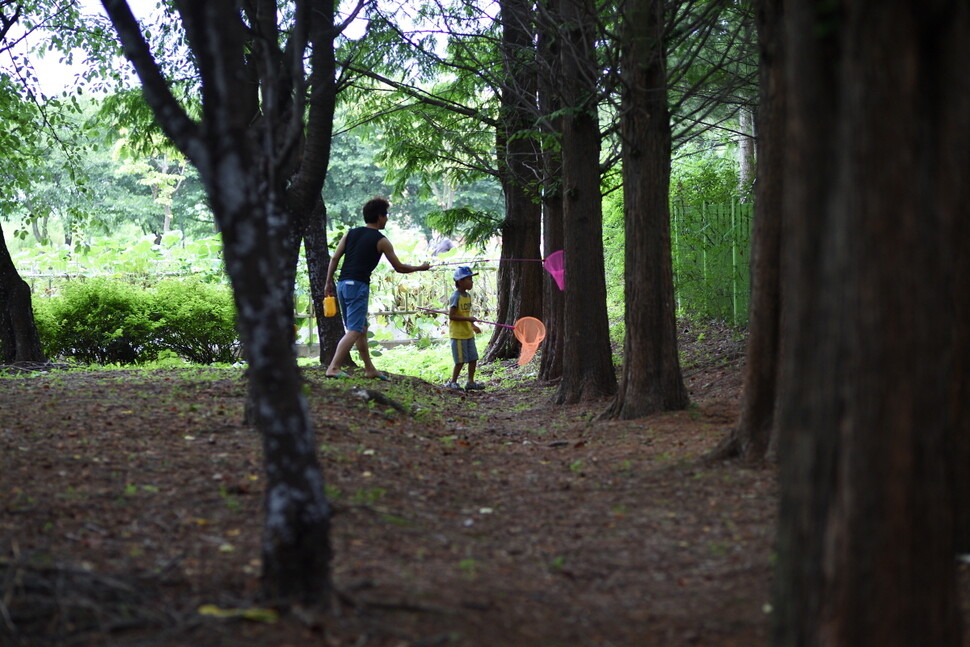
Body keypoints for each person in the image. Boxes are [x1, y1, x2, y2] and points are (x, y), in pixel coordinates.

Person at [325, 197, 431, 379]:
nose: (387, 219)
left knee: (361, 328)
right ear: (380, 216)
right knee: (354, 330)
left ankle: (369, 369)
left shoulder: (350, 233)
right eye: (386, 215)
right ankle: (333, 367)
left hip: (342, 284)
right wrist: (420, 268)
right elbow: (400, 268)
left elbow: (334, 259)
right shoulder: (382, 241)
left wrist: (328, 283)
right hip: (358, 286)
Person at [445, 266, 485, 391]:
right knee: (460, 361)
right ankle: (452, 382)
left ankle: (470, 382)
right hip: (458, 335)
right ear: (460, 281)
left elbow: (466, 314)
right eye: (469, 279)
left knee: (473, 358)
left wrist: (473, 326)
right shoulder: (455, 296)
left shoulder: (467, 296)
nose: (471, 282)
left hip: (468, 333)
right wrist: (468, 320)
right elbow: (452, 316)